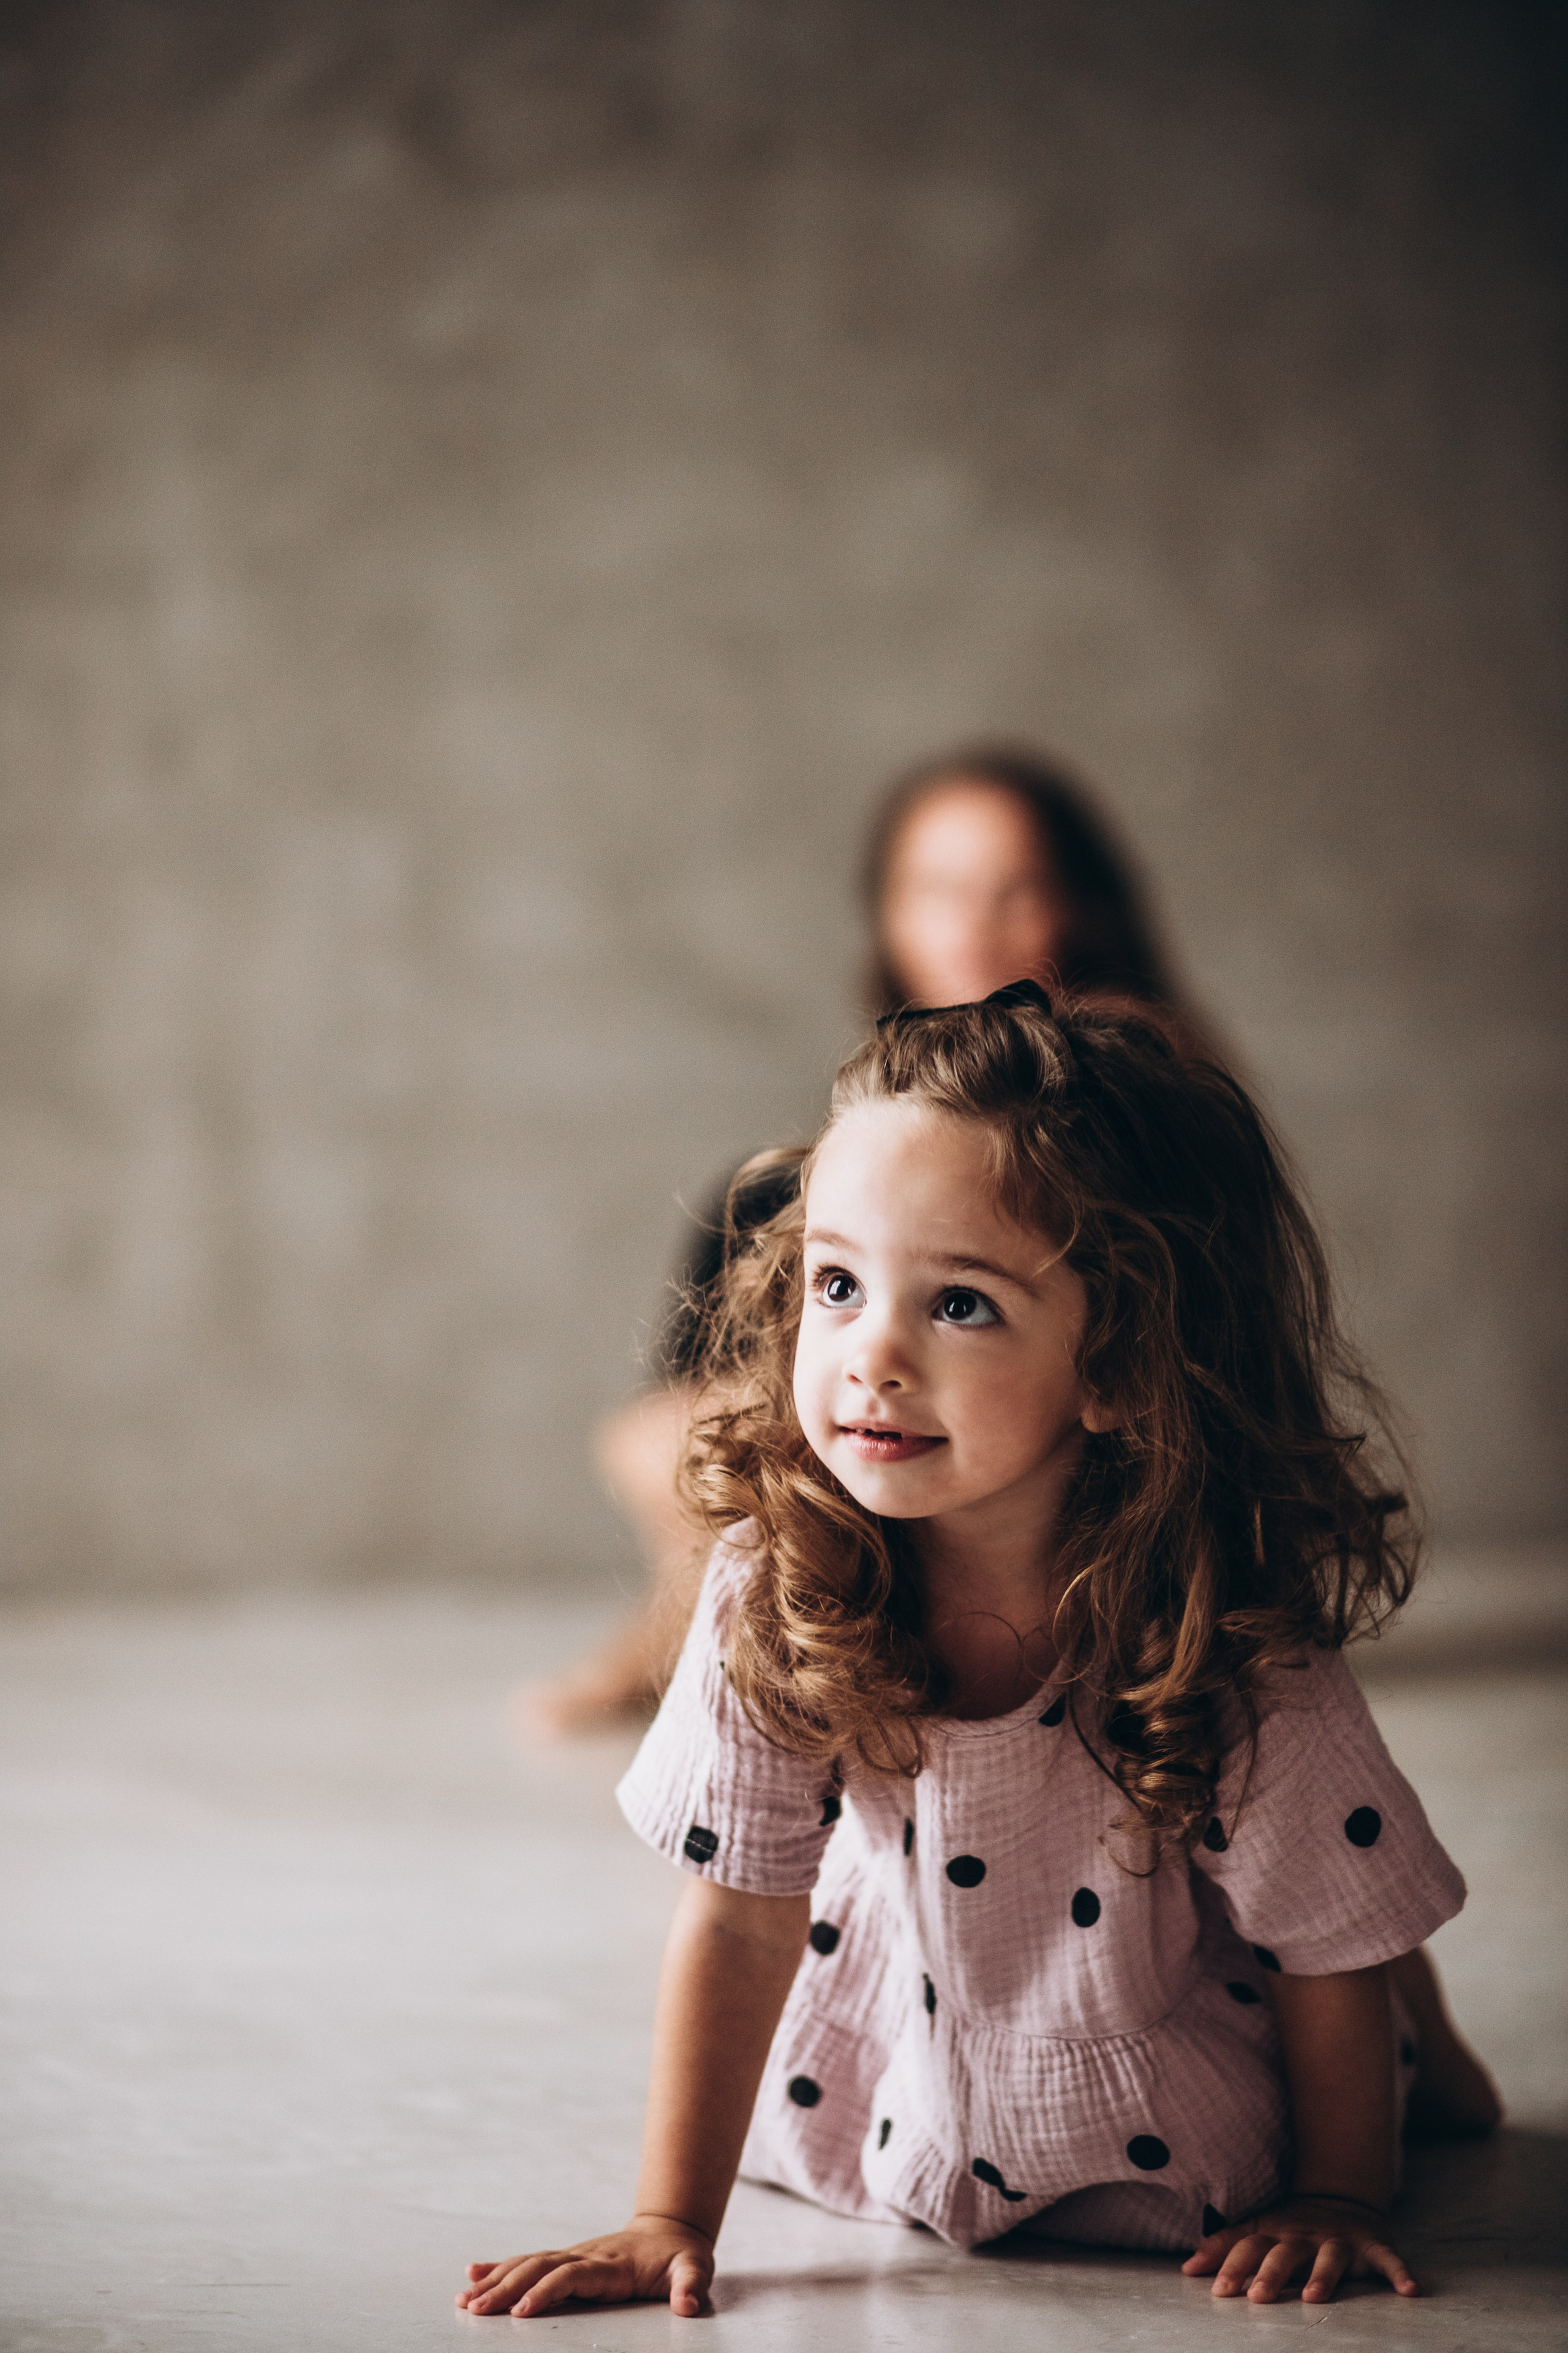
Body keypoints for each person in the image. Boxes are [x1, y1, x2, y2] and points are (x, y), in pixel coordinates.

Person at [461, 985, 1499, 2319]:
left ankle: (1434, 2065)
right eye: (837, 1284)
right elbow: (736, 1908)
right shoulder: (772, 1582)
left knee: (1328, 1905)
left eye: (958, 1304)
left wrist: (1341, 2191)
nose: (868, 1355)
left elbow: (1325, 1945)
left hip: (1158, 2078)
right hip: (899, 2073)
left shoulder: (1219, 1628)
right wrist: (668, 2215)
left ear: (1118, 1361)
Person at [521, 747, 1189, 1735]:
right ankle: (701, 1593)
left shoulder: (1134, 1080)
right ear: (886, 914)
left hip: (1047, 1430)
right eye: (937, 889)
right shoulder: (890, 1097)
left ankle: (699, 1616)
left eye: (1016, 890)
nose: (973, 924)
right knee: (757, 1206)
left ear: (1082, 912)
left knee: (772, 1346)